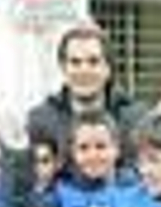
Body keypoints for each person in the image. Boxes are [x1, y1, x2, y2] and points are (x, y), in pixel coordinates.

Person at [24, 23, 146, 158]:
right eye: (75, 62)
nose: (84, 70)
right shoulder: (41, 120)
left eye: (93, 61)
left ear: (108, 69)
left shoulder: (136, 119)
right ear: (63, 69)